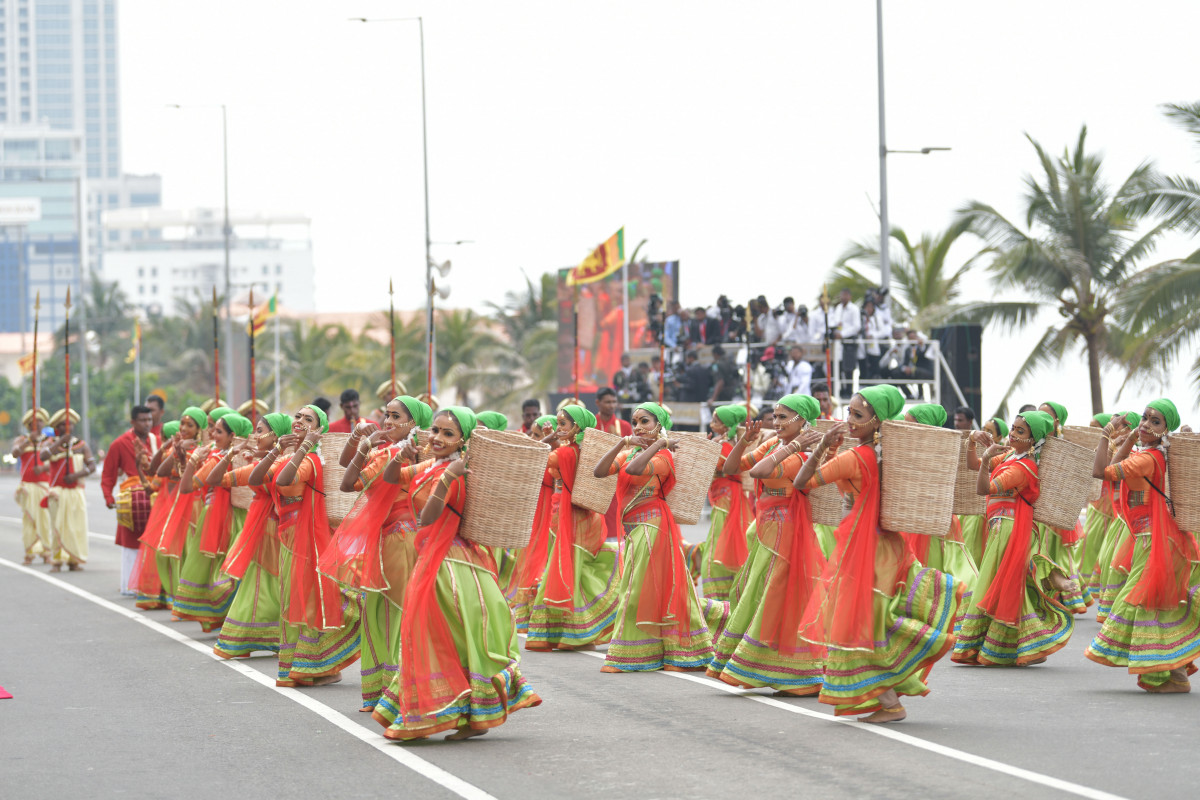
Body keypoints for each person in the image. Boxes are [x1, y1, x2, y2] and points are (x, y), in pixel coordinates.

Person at [792, 385, 963, 722]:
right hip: (890, 544)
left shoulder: (856, 458)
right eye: (849, 413)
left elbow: (802, 483)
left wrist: (822, 448)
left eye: (858, 415)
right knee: (874, 621)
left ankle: (890, 702)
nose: (850, 421)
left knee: (858, 624)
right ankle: (890, 693)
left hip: (863, 550)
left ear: (877, 421)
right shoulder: (892, 459)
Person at [373, 406, 542, 739]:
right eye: (435, 430)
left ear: (463, 441)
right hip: (431, 561)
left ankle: (469, 711)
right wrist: (401, 456)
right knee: (437, 638)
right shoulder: (431, 466)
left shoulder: (459, 472)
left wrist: (450, 475)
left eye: (448, 434)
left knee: (452, 639)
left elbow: (428, 518)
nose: (437, 438)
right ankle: (457, 710)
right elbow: (392, 479)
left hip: (451, 567)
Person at [707, 394, 826, 695]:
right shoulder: (775, 445)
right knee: (753, 590)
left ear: (803, 421)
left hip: (785, 532)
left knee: (775, 596)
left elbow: (759, 472)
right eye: (775, 417)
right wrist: (744, 442)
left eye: (783, 417)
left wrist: (795, 446)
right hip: (766, 529)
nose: (776, 423)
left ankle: (794, 671)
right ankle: (771, 666)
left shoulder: (801, 455)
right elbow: (736, 467)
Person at [320, 396, 432, 710]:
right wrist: (364, 443)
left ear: (413, 424)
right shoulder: (396, 453)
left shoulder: (393, 455)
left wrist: (366, 446)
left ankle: (393, 691)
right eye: (386, 415)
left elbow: (348, 483)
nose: (387, 422)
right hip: (393, 539)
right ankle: (389, 690)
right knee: (385, 614)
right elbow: (348, 470)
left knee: (388, 614)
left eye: (395, 417)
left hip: (397, 542)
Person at [1085, 399, 1200, 692]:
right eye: (1145, 418)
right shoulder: (1149, 453)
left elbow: (1101, 472)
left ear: (1166, 430)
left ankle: (1165, 673)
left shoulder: (1149, 459)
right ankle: (1174, 674)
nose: (1147, 424)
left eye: (1155, 422)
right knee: (1159, 606)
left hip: (1155, 543)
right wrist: (1133, 437)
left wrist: (1104, 435)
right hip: (1151, 540)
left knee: (1144, 603)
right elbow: (1113, 467)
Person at [593, 402, 714, 672]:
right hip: (633, 529)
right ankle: (660, 649)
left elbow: (636, 471)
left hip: (653, 526)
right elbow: (599, 472)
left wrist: (659, 445)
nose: (637, 427)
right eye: (634, 421)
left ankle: (629, 656)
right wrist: (622, 442)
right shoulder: (630, 452)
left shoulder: (663, 458)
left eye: (644, 421)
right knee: (644, 590)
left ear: (659, 425)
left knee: (636, 591)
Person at [250, 404, 361, 688]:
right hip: (288, 538)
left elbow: (285, 479)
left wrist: (306, 446)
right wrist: (276, 450)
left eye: (308, 419)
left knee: (307, 600)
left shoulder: (310, 460)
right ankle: (299, 665)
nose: (299, 421)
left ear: (318, 428)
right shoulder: (288, 456)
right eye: (297, 416)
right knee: (291, 599)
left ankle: (321, 665)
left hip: (308, 541)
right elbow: (254, 480)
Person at [953, 410, 1073, 666]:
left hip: (1010, 529)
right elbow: (972, 465)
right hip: (1001, 527)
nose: (1013, 434)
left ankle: (1012, 644)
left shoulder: (1024, 467)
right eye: (1013, 428)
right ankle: (1019, 643)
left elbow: (983, 487)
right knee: (1003, 584)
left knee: (1001, 584)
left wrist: (986, 461)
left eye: (1021, 432)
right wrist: (971, 441)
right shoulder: (1010, 456)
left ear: (1033, 440)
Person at [526, 405, 622, 651]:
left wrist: (548, 439)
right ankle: (576, 630)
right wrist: (555, 438)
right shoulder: (577, 451)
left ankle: (577, 632)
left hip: (574, 519)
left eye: (563, 425)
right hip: (580, 517)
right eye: (557, 424)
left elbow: (534, 456)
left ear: (577, 428)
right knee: (574, 570)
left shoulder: (567, 453)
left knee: (567, 569)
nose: (558, 428)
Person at [209, 412, 294, 660]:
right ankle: (252, 636)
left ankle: (278, 637)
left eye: (260, 431)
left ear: (276, 435)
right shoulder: (261, 465)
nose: (255, 436)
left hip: (281, 533)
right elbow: (216, 480)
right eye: (255, 431)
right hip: (258, 530)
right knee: (258, 586)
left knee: (275, 587)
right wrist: (230, 455)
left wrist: (267, 455)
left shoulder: (286, 464)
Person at [173, 410, 252, 631]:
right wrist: (185, 458)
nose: (211, 433)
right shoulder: (241, 456)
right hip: (240, 515)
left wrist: (195, 458)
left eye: (217, 430)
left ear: (232, 435)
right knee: (232, 566)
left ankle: (223, 614)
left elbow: (187, 487)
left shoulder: (218, 458)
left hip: (218, 516)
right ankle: (231, 615)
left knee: (217, 570)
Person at [900, 404, 979, 600]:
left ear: (927, 426)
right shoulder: (906, 449)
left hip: (936, 521)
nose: (906, 429)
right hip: (914, 520)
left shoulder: (942, 453)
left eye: (911, 425)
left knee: (939, 567)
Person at [1036, 400, 1090, 614]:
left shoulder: (1065, 447)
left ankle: (1069, 597)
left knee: (1056, 551)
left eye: (1046, 416)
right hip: (1038, 506)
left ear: (1056, 421)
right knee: (1040, 550)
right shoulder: (1034, 442)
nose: (1041, 419)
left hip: (1058, 505)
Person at [696, 404, 753, 601]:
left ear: (726, 425)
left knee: (719, 545)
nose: (712, 424)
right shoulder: (720, 443)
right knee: (721, 542)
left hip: (726, 501)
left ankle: (722, 592)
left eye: (716, 421)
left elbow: (724, 468)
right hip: (724, 497)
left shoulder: (726, 446)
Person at [101, 404, 159, 596]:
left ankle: (153, 584)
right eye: (142, 420)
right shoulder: (120, 443)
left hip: (154, 494)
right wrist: (108, 496)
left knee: (154, 541)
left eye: (149, 420)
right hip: (132, 499)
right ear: (133, 422)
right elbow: (108, 473)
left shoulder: (156, 441)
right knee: (132, 543)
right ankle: (130, 585)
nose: (147, 424)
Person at [42, 409, 96, 572]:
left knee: (76, 526)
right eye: (64, 425)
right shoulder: (50, 443)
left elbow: (92, 466)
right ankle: (57, 560)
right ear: (57, 427)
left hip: (75, 492)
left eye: (70, 424)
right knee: (57, 526)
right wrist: (59, 442)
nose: (68, 427)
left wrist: (76, 475)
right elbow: (43, 457)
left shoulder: (81, 445)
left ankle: (74, 560)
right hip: (57, 493)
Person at [12, 408, 51, 564]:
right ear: (28, 425)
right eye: (33, 422)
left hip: (43, 485)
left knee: (45, 520)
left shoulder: (49, 441)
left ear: (43, 423)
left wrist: (43, 468)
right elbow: (15, 453)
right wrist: (29, 441)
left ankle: (46, 552)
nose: (36, 424)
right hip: (27, 487)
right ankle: (29, 552)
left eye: (39, 421)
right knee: (29, 520)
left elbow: (55, 461)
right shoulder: (21, 439)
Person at [830, 289, 861, 398]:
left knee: (849, 368)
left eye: (845, 295)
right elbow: (835, 322)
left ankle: (848, 391)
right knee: (838, 367)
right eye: (841, 295)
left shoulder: (854, 309)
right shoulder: (838, 308)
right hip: (838, 342)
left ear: (849, 296)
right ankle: (840, 390)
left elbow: (857, 326)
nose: (843, 298)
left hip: (849, 341)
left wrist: (842, 334)